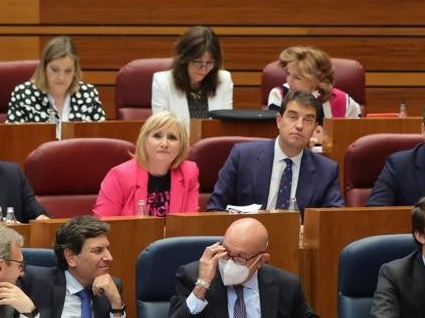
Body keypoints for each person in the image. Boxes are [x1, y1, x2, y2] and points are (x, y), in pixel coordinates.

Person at [207, 90, 343, 212]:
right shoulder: (242, 157)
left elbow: (333, 222)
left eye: (308, 120)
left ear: (315, 128)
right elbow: (215, 210)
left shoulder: (326, 171)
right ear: (279, 120)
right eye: (293, 117)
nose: (299, 126)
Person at [170, 217, 316, 318]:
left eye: (240, 257)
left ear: (261, 260)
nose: (229, 262)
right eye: (226, 252)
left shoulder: (287, 285)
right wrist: (201, 286)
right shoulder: (192, 277)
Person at [94, 111, 199, 217]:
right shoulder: (119, 175)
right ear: (144, 140)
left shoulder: (188, 172)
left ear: (182, 145)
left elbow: (189, 224)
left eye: (172, 137)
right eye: (157, 136)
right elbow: (100, 227)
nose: (164, 144)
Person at [21, 215, 126, 318]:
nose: (109, 257)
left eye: (108, 248)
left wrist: (116, 303)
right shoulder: (33, 281)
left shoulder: (111, 287)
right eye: (98, 250)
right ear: (71, 257)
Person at [265, 46, 362, 146]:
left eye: (297, 77)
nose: (289, 81)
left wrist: (328, 140)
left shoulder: (344, 102)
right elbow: (272, 136)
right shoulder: (279, 95)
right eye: (288, 74)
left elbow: (355, 141)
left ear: (317, 80)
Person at [5, 36, 106, 128]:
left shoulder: (88, 94)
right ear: (44, 68)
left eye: (68, 71)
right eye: (55, 69)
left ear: (75, 71)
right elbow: (13, 139)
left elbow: (101, 138)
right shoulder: (23, 94)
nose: (61, 77)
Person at [151, 26, 233, 130]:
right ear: (184, 59)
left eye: (209, 63)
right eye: (197, 62)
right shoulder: (162, 82)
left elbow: (224, 128)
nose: (203, 69)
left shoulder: (224, 80)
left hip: (212, 145)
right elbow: (162, 130)